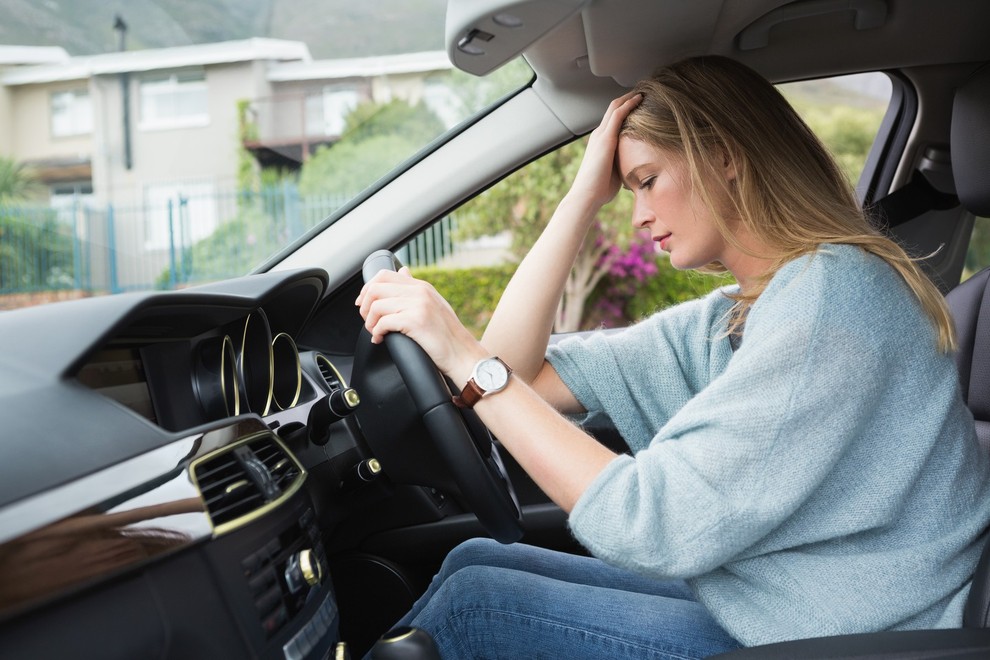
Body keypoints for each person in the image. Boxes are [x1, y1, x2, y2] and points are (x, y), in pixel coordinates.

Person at [356, 55, 990, 658]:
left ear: (724, 156)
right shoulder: (739, 314)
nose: (636, 215)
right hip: (795, 608)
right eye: (627, 189)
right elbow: (514, 374)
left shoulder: (834, 299)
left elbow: (647, 521)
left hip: (863, 635)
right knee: (474, 560)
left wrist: (464, 355)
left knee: (477, 605)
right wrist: (582, 198)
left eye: (648, 181)